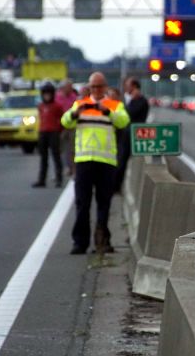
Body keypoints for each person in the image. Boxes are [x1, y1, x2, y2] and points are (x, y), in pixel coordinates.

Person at [61, 72, 130, 254]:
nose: (97, 90)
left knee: (104, 202)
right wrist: (75, 113)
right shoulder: (80, 104)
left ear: (105, 87)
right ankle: (80, 242)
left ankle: (102, 241)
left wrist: (108, 112)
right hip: (84, 160)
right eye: (93, 86)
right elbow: (65, 121)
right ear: (89, 88)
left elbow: (123, 121)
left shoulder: (114, 105)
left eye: (100, 86)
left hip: (105, 160)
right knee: (82, 203)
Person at [114, 77, 149, 193]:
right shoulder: (132, 99)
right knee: (119, 160)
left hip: (132, 136)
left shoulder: (140, 100)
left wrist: (132, 100)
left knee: (121, 161)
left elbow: (128, 114)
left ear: (134, 86)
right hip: (127, 135)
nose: (125, 88)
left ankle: (116, 187)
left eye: (128, 85)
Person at [33, 82, 64, 188]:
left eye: (49, 94)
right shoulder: (41, 106)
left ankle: (59, 179)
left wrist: (59, 130)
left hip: (53, 132)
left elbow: (62, 119)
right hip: (43, 132)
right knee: (43, 157)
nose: (47, 96)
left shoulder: (57, 106)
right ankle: (41, 180)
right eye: (45, 94)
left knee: (56, 156)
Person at [55, 79, 78, 177]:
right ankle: (63, 169)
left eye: (71, 86)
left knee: (72, 149)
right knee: (61, 149)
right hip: (60, 126)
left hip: (72, 126)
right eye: (69, 86)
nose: (70, 89)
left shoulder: (74, 97)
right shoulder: (58, 97)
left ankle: (72, 168)